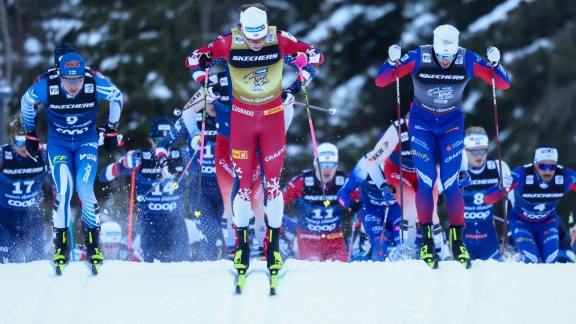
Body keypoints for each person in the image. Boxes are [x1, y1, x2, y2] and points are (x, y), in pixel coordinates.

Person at [185, 3, 324, 277]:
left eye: (260, 37)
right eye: (251, 38)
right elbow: (191, 59)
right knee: (243, 188)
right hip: (242, 119)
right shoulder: (228, 42)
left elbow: (316, 56)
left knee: (272, 185)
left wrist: (296, 82)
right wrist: (206, 79)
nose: (257, 43)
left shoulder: (279, 38)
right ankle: (242, 247)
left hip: (272, 118)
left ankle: (272, 247)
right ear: (241, 30)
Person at [375, 24, 511, 268]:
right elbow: (382, 80)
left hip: (451, 125)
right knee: (426, 182)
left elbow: (501, 84)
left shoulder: (466, 58)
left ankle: (457, 242)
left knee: (451, 185)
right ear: (435, 49)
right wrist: (391, 60)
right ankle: (426, 241)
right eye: (442, 55)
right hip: (421, 125)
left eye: (450, 56)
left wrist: (495, 64)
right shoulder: (419, 56)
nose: (446, 60)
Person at [21, 52, 124, 274]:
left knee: (85, 188)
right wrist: (30, 132)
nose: (74, 85)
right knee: (65, 190)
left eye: (78, 79)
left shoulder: (93, 84)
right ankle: (62, 248)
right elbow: (26, 101)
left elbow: (117, 96)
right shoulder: (47, 86)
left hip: (86, 142)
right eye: (68, 80)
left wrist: (112, 129)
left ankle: (94, 246)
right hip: (59, 144)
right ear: (60, 75)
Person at [99, 116, 190, 263]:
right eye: (160, 142)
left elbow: (204, 168)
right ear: (150, 139)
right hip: (150, 222)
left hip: (175, 221)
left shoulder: (182, 155)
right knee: (152, 265)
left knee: (183, 264)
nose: (164, 147)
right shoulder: (139, 157)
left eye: (169, 142)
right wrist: (122, 164)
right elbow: (103, 176)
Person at [366, 120, 451, 261]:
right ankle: (407, 253)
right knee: (411, 208)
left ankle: (438, 251)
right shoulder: (397, 131)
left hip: (425, 172)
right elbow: (370, 161)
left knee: (431, 211)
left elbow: (456, 155)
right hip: (399, 173)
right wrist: (382, 186)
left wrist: (460, 174)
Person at [485, 147, 576, 263]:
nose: (547, 171)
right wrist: (500, 186)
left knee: (551, 260)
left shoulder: (564, 176)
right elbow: (488, 199)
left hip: (547, 222)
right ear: (535, 165)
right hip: (521, 222)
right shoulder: (522, 175)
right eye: (543, 166)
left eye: (552, 167)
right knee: (531, 258)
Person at [283, 143, 351, 262]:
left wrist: (361, 227)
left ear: (337, 165)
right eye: (323, 164)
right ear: (315, 164)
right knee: (314, 270)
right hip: (308, 239)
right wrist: (287, 225)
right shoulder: (301, 183)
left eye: (331, 164)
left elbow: (362, 204)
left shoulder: (344, 182)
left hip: (335, 240)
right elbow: (274, 205)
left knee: (340, 272)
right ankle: (295, 246)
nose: (327, 169)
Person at [0, 115, 49, 263]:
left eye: (27, 141)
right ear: (12, 139)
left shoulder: (44, 154)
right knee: (12, 265)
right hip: (6, 219)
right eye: (19, 141)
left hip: (32, 217)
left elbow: (59, 178)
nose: (23, 147)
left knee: (37, 263)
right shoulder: (3, 155)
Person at [337, 151, 401, 261]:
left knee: (401, 240)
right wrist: (351, 204)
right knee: (380, 239)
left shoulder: (402, 159)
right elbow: (342, 193)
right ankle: (377, 271)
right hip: (371, 208)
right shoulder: (366, 164)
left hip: (395, 208)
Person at [461, 127, 512, 261]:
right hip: (462, 238)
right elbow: (435, 198)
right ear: (464, 150)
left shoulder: (498, 167)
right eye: (474, 151)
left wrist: (506, 239)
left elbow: (512, 203)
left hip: (489, 238)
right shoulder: (456, 168)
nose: (479, 156)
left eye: (483, 150)